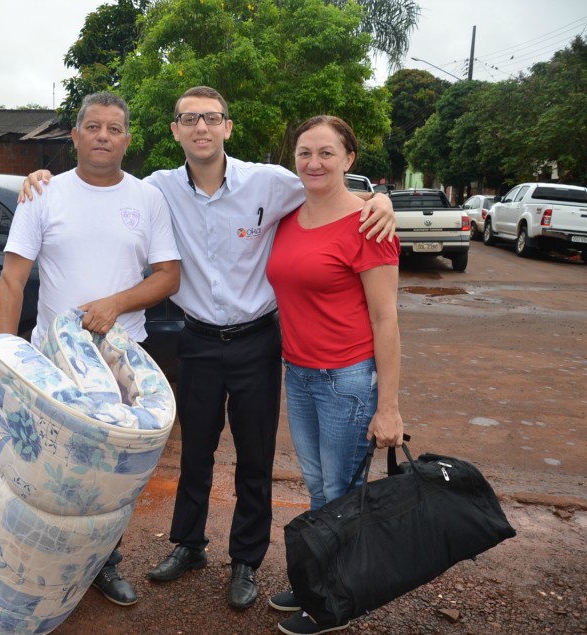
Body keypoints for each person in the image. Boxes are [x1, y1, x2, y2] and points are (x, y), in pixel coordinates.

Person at [20, 86, 395, 611]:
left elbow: (328, 188)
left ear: (228, 127)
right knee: (194, 452)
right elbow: (98, 184)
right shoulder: (156, 190)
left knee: (255, 456)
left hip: (257, 341)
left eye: (211, 118)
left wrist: (380, 198)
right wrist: (37, 178)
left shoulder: (270, 182)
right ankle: (189, 545)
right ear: (175, 130)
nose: (201, 127)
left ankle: (245, 561)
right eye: (189, 119)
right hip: (195, 339)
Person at [0, 91, 181, 607]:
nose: (103, 136)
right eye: (93, 127)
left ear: (127, 139)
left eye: (114, 128)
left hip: (124, 366)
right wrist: (7, 360)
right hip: (54, 367)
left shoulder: (147, 199)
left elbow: (169, 276)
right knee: (50, 474)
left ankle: (104, 563)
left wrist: (117, 303)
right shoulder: (43, 194)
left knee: (111, 481)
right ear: (75, 136)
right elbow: (13, 282)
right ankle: (42, 567)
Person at [265, 115, 403, 635]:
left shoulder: (368, 224)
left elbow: (386, 318)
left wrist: (388, 406)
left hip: (346, 379)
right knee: (321, 488)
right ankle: (316, 584)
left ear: (349, 159)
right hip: (298, 375)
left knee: (341, 496)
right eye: (304, 152)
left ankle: (332, 602)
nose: (314, 163)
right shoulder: (289, 217)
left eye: (327, 153)